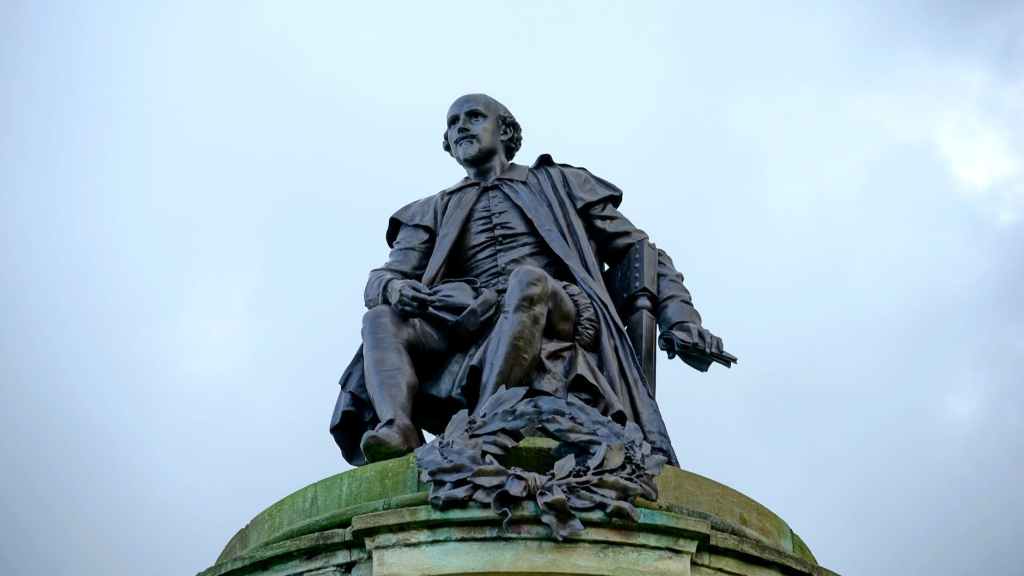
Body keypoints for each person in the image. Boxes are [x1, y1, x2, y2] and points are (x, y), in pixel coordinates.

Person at [330, 94, 727, 465]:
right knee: (379, 318)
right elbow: (385, 277)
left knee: (527, 280)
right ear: (447, 144)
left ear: (504, 130)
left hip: (559, 306)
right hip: (470, 314)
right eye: (452, 123)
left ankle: (481, 426)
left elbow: (640, 253)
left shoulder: (562, 183)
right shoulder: (429, 210)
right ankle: (398, 427)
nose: (461, 127)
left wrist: (681, 320)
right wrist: (396, 288)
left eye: (474, 117)